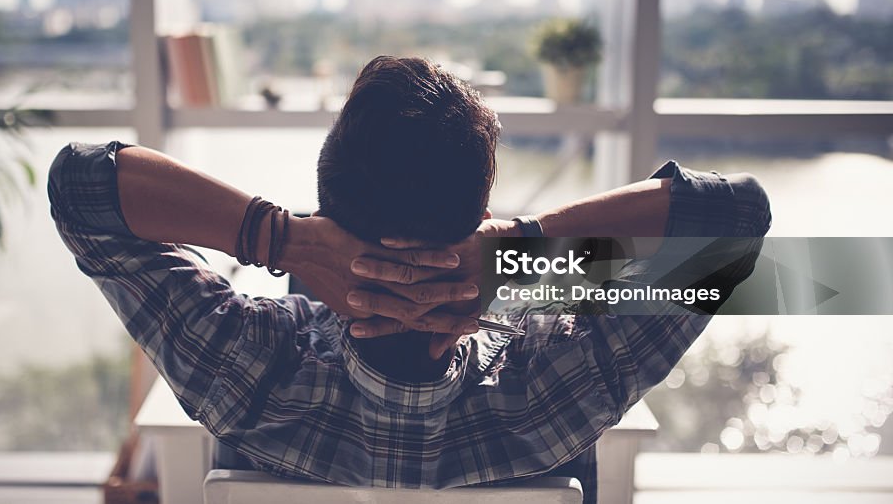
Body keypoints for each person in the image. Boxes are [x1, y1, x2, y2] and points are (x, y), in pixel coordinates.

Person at [48, 56, 771, 503]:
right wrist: (519, 253)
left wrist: (284, 238)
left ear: (328, 204)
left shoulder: (245, 369)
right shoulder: (557, 387)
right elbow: (734, 219)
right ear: (478, 216)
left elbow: (80, 185)